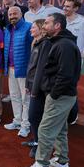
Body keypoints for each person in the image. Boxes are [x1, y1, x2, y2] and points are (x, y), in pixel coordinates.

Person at [20, 13, 81, 167]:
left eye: (47, 23)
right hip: (60, 94)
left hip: (60, 95)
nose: (44, 26)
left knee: (45, 129)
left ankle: (41, 166)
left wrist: (53, 94)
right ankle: (62, 161)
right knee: (60, 128)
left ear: (57, 26)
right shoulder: (59, 43)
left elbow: (65, 75)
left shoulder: (64, 46)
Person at [23, 19, 52, 158]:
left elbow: (40, 69)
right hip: (34, 85)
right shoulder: (36, 43)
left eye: (33, 27)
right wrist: (29, 85)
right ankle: (36, 140)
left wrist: (34, 89)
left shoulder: (45, 44)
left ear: (41, 29)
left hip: (40, 88)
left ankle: (39, 144)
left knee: (34, 116)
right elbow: (32, 67)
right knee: (34, 116)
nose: (30, 30)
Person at [3, 7, 33, 137]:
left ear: (21, 14)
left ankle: (26, 126)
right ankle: (17, 121)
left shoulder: (29, 27)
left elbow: (34, 49)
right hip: (10, 68)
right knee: (14, 96)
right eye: (10, 14)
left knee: (26, 99)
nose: (12, 16)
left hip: (24, 69)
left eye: (15, 13)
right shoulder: (8, 29)